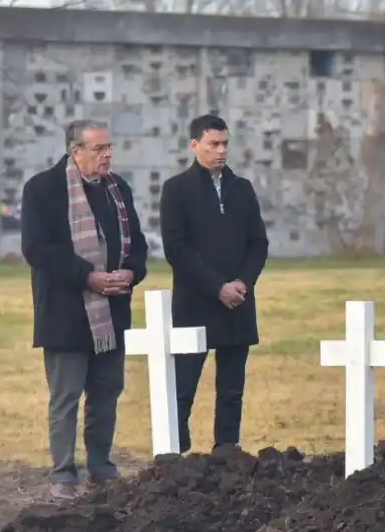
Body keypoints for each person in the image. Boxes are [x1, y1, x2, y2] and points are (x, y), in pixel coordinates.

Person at [20, 120, 148, 501]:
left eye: (110, 147)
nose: (107, 154)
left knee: (107, 392)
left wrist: (131, 271)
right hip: (66, 313)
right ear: (75, 151)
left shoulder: (118, 190)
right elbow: (38, 249)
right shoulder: (43, 189)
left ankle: (101, 467)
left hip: (111, 312)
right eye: (99, 149)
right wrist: (87, 277)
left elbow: (137, 244)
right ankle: (62, 473)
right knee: (66, 397)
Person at [159, 114, 269, 453]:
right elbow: (176, 248)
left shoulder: (242, 189)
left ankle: (227, 450)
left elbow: (258, 243)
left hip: (237, 301)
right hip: (196, 302)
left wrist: (242, 283)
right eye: (213, 144)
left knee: (232, 388)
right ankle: (176, 453)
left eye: (225, 144)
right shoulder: (176, 190)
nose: (221, 151)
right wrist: (216, 286)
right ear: (195, 145)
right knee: (183, 386)